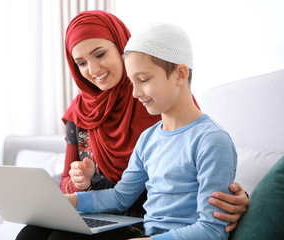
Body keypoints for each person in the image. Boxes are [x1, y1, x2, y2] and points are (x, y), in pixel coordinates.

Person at [16, 10, 248, 239]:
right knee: (31, 233)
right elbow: (120, 197)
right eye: (81, 62)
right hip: (130, 224)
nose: (135, 92)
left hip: (149, 229)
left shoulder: (206, 137)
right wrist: (70, 198)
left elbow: (211, 223)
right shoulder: (148, 137)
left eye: (143, 80)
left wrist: (241, 198)